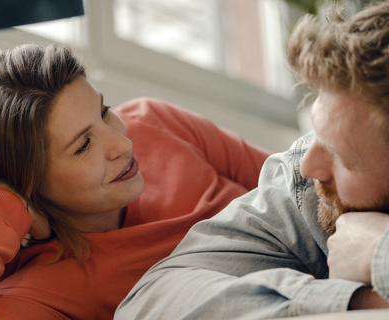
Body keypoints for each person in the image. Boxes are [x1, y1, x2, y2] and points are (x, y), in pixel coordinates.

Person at [0, 44, 269, 319]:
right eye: (83, 145)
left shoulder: (153, 118)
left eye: (104, 112)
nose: (124, 144)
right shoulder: (46, 290)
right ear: (21, 187)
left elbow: (303, 178)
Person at [115, 1, 389, 319]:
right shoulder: (304, 188)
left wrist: (380, 253)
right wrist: (359, 302)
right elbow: (148, 304)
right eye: (318, 135)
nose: (309, 166)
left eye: (343, 158)